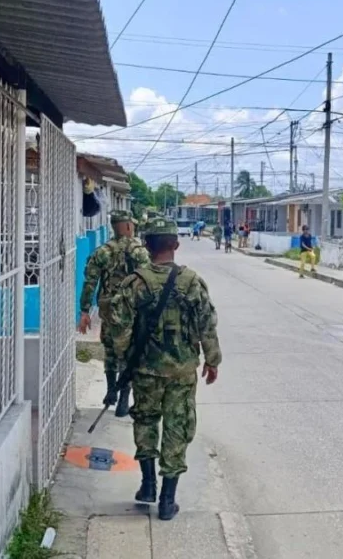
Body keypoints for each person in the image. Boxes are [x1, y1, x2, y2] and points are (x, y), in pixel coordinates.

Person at [109, 217, 222, 521]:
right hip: (182, 371)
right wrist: (212, 360)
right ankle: (167, 500)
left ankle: (147, 485)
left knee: (145, 421)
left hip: (145, 370)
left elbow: (118, 327)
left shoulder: (134, 283)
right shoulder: (192, 282)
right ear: (175, 244)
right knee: (177, 427)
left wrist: (125, 359)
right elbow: (206, 325)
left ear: (146, 245)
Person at [78, 210, 151, 417]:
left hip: (109, 310)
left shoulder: (102, 252)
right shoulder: (140, 253)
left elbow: (90, 283)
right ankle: (124, 399)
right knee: (130, 353)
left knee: (110, 351)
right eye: (132, 225)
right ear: (128, 226)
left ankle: (111, 391)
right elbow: (149, 284)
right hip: (133, 312)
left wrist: (84, 311)